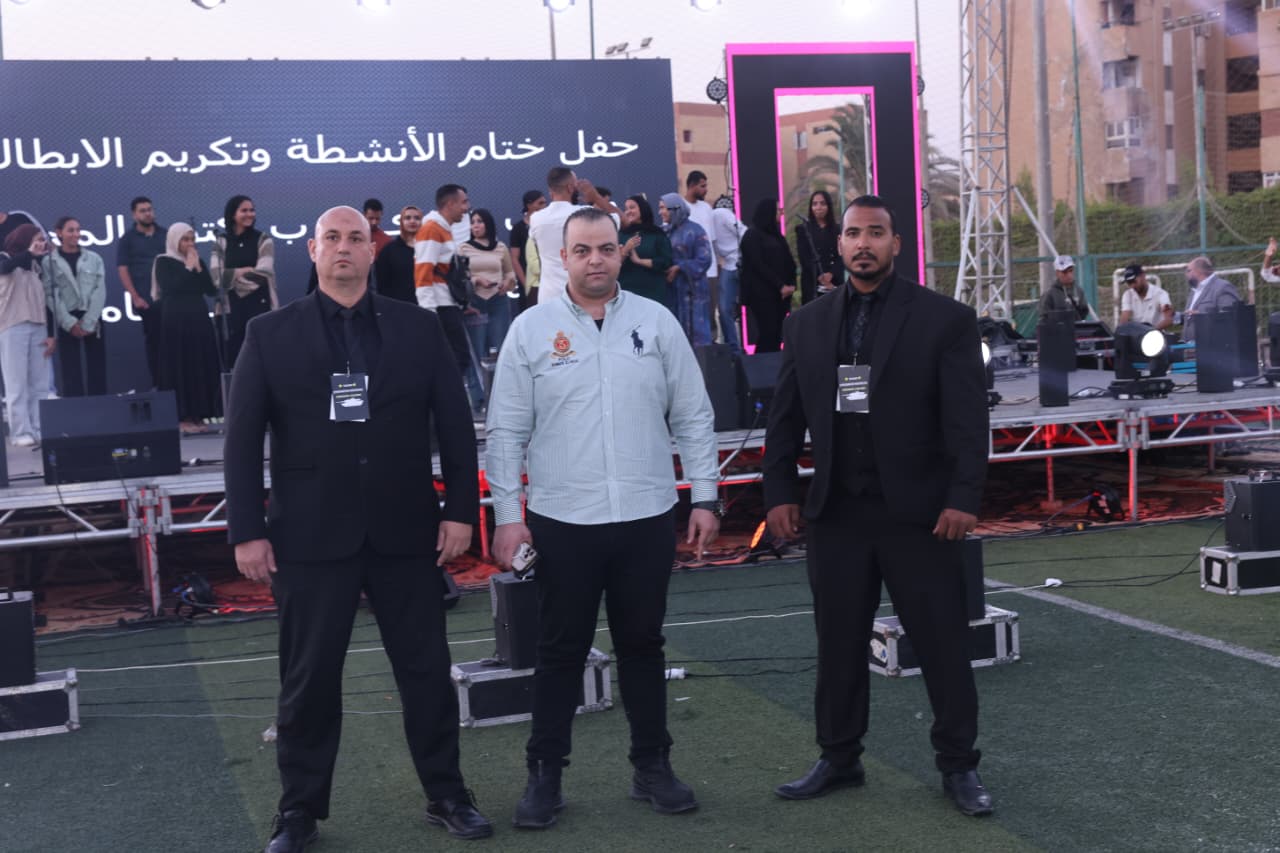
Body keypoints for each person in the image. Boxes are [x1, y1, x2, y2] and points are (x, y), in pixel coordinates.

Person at [225, 206, 492, 852]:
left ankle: (448, 793)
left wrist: (461, 510)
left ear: (373, 251)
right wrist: (246, 529)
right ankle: (298, 811)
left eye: (355, 238)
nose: (343, 247)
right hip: (309, 535)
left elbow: (455, 426)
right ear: (313, 251)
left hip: (407, 531)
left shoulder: (418, 328)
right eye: (332, 238)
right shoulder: (268, 333)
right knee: (308, 680)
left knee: (426, 671)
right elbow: (242, 440)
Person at [486, 207, 720, 830]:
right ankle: (545, 776)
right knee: (560, 651)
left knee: (642, 645)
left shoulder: (656, 321)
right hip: (563, 520)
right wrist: (508, 516)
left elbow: (693, 415)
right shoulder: (530, 330)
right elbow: (505, 432)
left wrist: (705, 497)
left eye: (607, 248)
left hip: (647, 514)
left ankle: (653, 767)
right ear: (562, 257)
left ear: (621, 252)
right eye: (583, 249)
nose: (596, 259)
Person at [763, 195, 993, 817]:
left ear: (896, 243)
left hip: (920, 516)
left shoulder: (945, 320)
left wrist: (963, 497)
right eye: (853, 233)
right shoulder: (805, 324)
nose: (863, 243)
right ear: (838, 244)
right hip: (837, 514)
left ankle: (959, 766)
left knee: (942, 645)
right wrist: (779, 493)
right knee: (837, 645)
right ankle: (839, 757)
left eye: (876, 233)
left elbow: (968, 420)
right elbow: (783, 419)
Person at [414, 184, 483, 411]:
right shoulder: (431, 229)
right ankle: (442, 407)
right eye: (464, 202)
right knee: (454, 359)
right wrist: (429, 313)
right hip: (439, 309)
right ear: (450, 204)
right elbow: (423, 273)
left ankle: (446, 406)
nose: (467, 208)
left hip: (448, 305)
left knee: (455, 360)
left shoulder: (442, 229)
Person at [151, 223, 221, 433]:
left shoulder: (196, 260)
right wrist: (188, 268)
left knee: (199, 363)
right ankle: (182, 417)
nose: (190, 244)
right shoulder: (163, 261)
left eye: (192, 239)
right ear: (175, 240)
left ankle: (200, 414)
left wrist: (198, 269)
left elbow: (210, 290)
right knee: (180, 365)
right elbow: (171, 287)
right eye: (185, 239)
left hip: (198, 319)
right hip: (176, 320)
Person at [527, 167, 618, 305]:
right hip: (583, 297)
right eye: (576, 185)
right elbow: (622, 220)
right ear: (570, 188)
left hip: (549, 297)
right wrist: (595, 196)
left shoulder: (536, 219)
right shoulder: (586, 213)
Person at [0, 225, 55, 446]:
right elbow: (6, 268)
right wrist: (28, 253)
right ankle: (20, 431)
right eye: (36, 239)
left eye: (42, 240)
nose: (40, 244)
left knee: (40, 383)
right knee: (17, 383)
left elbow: (47, 301)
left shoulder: (37, 266)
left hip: (38, 325)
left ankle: (39, 427)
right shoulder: (5, 258)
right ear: (24, 240)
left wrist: (51, 334)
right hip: (12, 325)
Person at [210, 195, 276, 368]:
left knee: (262, 361)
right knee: (234, 363)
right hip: (230, 311)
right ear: (233, 214)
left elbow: (263, 274)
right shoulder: (221, 241)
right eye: (244, 210)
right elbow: (216, 278)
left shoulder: (263, 239)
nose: (250, 214)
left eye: (252, 210)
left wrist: (232, 280)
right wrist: (243, 271)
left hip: (260, 307)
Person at [46, 216, 107, 397]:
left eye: (78, 230)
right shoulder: (49, 262)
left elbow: (100, 290)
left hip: (93, 318)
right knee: (70, 370)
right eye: (70, 230)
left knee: (97, 367)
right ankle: (75, 410)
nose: (76, 234)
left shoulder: (94, 258)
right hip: (67, 320)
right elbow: (51, 294)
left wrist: (89, 321)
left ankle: (100, 407)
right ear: (59, 233)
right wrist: (69, 323)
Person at [115, 196, 166, 388]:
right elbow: (123, 269)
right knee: (155, 344)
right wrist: (135, 297)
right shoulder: (127, 239)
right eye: (143, 211)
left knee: (174, 343)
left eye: (150, 209)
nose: (148, 213)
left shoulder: (165, 234)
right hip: (147, 301)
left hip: (170, 300)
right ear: (134, 215)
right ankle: (159, 386)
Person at [458, 208, 516, 365]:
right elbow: (460, 278)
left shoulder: (500, 247)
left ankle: (501, 379)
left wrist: (507, 283)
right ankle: (478, 381)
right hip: (475, 301)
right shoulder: (464, 248)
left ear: (488, 224)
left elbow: (510, 273)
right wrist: (477, 280)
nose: (475, 226)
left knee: (501, 346)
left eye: (480, 221)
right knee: (477, 349)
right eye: (472, 222)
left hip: (498, 300)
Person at [738, 198, 797, 353]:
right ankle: (762, 364)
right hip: (762, 295)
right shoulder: (752, 236)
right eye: (778, 210)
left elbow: (789, 262)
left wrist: (791, 285)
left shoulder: (777, 236)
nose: (780, 213)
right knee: (767, 332)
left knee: (777, 334)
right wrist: (780, 285)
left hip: (781, 297)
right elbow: (758, 265)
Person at [658, 194, 713, 346]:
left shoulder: (696, 231)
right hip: (672, 292)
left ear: (675, 209)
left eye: (663, 208)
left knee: (697, 332)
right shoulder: (664, 232)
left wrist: (679, 267)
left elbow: (705, 259)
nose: (660, 212)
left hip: (692, 291)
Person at [618, 195, 674, 309]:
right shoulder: (621, 235)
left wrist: (639, 261)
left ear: (643, 209)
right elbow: (612, 264)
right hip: (627, 293)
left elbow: (666, 262)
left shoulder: (657, 234)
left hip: (653, 293)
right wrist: (626, 250)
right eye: (626, 209)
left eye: (632, 207)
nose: (628, 212)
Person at [683, 172, 721, 338]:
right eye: (702, 186)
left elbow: (712, 240)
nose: (706, 190)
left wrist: (719, 263)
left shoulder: (706, 208)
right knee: (692, 313)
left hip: (710, 271)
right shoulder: (681, 208)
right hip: (690, 271)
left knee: (710, 312)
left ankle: (711, 345)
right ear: (692, 186)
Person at [710, 204, 747, 352]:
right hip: (727, 265)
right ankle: (733, 350)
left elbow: (743, 231)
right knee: (724, 309)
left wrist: (745, 255)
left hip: (742, 262)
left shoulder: (719, 214)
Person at [1180, 256, 1242, 343]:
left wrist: (1203, 315)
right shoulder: (1194, 291)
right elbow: (1191, 317)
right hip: (1190, 347)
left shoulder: (1222, 287)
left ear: (1199, 271)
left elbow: (1231, 316)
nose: (1186, 274)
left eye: (1189, 271)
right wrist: (1175, 316)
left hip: (1214, 346)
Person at [796, 190, 842, 304]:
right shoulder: (803, 229)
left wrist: (831, 274)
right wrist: (821, 276)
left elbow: (842, 255)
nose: (818, 207)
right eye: (815, 204)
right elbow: (804, 257)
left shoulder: (838, 229)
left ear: (828, 206)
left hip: (834, 281)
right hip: (812, 283)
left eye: (822, 203)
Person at [373, 205, 421, 305]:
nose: (412, 221)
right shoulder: (389, 250)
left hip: (428, 307)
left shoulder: (430, 248)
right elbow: (381, 284)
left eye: (417, 218)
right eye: (407, 218)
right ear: (401, 222)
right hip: (398, 307)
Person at [1118, 264, 1173, 330]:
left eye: (1134, 281)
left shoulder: (1160, 294)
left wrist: (1151, 331)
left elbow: (1169, 319)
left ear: (1143, 276)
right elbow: (1125, 316)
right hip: (1136, 334)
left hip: (1156, 333)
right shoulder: (1127, 295)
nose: (1132, 286)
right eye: (1129, 283)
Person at [1038, 255, 1089, 321]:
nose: (1069, 275)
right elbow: (1044, 319)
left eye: (1071, 271)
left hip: (1076, 327)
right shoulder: (1049, 294)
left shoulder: (1079, 291)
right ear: (1057, 273)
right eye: (1064, 272)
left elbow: (1084, 312)